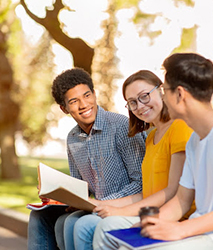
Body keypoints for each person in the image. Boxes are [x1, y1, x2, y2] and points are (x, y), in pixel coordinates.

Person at [109, 52, 213, 250]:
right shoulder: (194, 141)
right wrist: (150, 224)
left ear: (180, 94)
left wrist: (182, 230)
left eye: (165, 90)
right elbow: (182, 200)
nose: (163, 97)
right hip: (200, 233)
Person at [27, 67, 146, 250]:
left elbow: (141, 182)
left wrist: (101, 203)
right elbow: (81, 188)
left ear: (94, 94)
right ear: (63, 108)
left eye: (87, 95)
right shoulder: (72, 139)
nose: (84, 105)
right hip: (93, 206)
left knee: (70, 223)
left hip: (123, 206)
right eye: (74, 101)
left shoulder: (121, 126)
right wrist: (54, 193)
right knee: (41, 217)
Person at [91, 70, 195, 250]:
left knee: (101, 226)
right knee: (84, 221)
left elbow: (172, 191)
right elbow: (147, 193)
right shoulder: (151, 137)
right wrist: (102, 204)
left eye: (144, 96)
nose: (139, 106)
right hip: (150, 211)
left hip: (175, 217)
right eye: (132, 102)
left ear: (161, 91)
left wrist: (120, 212)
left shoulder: (179, 127)